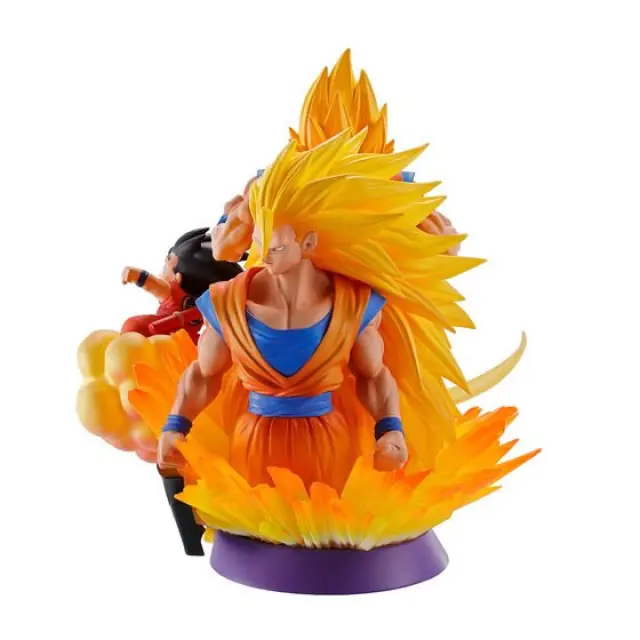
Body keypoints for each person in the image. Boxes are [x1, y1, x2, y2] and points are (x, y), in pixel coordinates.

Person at [156, 131, 476, 491]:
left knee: (329, 516)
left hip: (328, 445)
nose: (264, 253)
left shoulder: (353, 304)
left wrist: (390, 430)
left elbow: (373, 376)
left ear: (308, 243)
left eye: (277, 246)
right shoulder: (226, 302)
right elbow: (203, 375)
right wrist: (175, 425)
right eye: (260, 241)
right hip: (253, 445)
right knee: (256, 519)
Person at [121, 228, 242, 343]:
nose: (163, 267)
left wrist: (136, 275)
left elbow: (153, 284)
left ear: (178, 277)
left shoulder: (173, 292)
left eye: (167, 262)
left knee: (133, 325)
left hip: (160, 337)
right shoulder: (205, 306)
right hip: (190, 341)